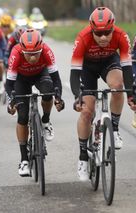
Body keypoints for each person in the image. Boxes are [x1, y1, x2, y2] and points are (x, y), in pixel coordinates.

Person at [70, 7, 136, 181]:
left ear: (113, 28)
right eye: (98, 34)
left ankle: (114, 129)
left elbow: (128, 69)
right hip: (87, 68)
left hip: (108, 62)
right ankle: (83, 156)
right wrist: (78, 96)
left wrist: (130, 95)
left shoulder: (121, 36)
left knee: (118, 85)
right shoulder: (82, 38)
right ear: (91, 30)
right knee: (86, 111)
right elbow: (74, 75)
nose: (103, 37)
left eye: (107, 32)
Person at [5, 29, 64, 177]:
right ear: (22, 50)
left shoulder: (46, 50)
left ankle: (45, 121)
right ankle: (24, 159)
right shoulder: (16, 53)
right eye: (29, 54)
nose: (32, 58)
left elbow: (56, 79)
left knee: (48, 90)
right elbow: (8, 84)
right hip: (21, 79)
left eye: (36, 54)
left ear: (41, 48)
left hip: (40, 74)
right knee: (22, 117)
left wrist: (58, 98)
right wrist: (11, 102)